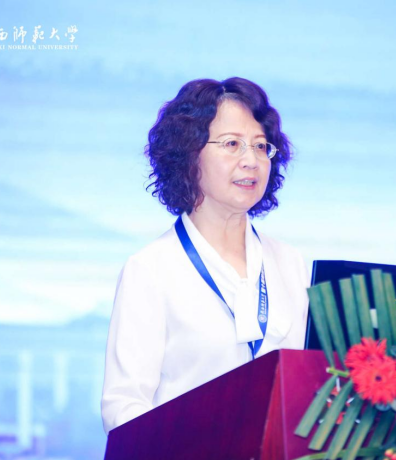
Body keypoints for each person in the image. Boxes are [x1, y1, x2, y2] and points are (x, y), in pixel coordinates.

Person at [101, 77, 310, 434]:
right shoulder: (151, 269)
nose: (251, 160)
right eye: (232, 144)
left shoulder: (290, 263)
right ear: (189, 155)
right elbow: (123, 405)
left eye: (261, 146)